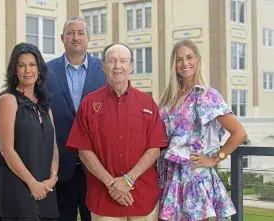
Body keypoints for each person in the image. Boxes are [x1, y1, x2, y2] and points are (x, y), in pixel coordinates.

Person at [66, 43, 168, 221]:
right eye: (112, 61)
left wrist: (128, 180)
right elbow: (84, 150)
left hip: (142, 197)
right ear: (104, 66)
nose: (117, 66)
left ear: (131, 66)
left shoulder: (147, 103)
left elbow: (154, 148)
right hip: (104, 197)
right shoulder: (89, 104)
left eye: (123, 61)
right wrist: (112, 184)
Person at [157, 38, 248, 221]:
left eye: (189, 57)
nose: (185, 63)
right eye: (179, 59)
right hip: (168, 179)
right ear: (174, 65)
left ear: (198, 60)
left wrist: (215, 159)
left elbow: (239, 133)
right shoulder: (168, 98)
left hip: (194, 179)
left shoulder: (206, 96)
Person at [0, 42, 60, 221]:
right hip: (16, 188)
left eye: (32, 65)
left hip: (45, 188)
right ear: (14, 70)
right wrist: (32, 184)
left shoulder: (45, 105)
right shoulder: (8, 100)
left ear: (39, 68)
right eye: (21, 65)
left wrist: (53, 178)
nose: (27, 70)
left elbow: (54, 147)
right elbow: (7, 150)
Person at [46, 17, 106, 221]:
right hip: (60, 166)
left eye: (80, 33)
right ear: (62, 38)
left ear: (89, 38)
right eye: (70, 33)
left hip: (98, 168)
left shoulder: (105, 70)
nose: (75, 37)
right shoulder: (45, 71)